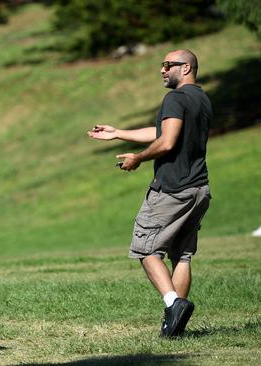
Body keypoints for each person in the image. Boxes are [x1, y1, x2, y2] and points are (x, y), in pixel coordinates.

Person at [88, 49, 212, 338]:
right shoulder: (201, 99)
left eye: (168, 65)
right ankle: (175, 327)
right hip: (198, 188)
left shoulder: (176, 98)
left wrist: (138, 159)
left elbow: (166, 143)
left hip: (172, 189)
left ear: (187, 68)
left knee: (145, 249)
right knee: (182, 255)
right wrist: (118, 132)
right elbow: (164, 132)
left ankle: (173, 304)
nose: (162, 69)